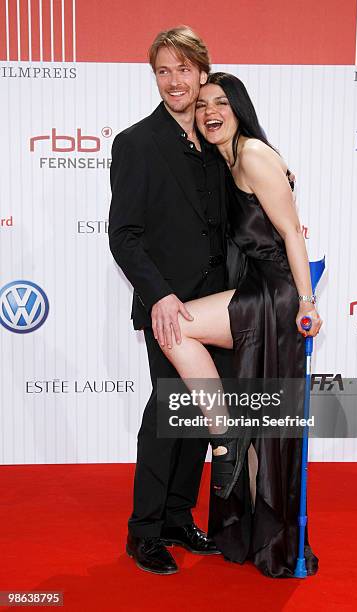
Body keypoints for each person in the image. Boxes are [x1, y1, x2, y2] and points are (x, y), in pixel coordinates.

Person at [159, 72, 322, 578]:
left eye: (220, 103)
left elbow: (293, 233)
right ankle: (259, 536)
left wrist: (307, 301)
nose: (210, 110)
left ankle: (222, 430)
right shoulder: (224, 163)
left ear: (239, 108)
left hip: (274, 298)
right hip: (258, 290)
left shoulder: (251, 154)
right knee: (263, 424)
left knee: (177, 327)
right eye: (202, 103)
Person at [108, 28, 234, 575]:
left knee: (199, 417)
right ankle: (145, 531)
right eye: (164, 70)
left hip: (218, 306)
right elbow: (124, 234)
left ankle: (179, 517)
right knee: (167, 412)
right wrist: (157, 293)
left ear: (202, 72)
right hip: (170, 307)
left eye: (184, 69)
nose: (175, 81)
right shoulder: (136, 143)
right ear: (154, 76)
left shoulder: (215, 138)